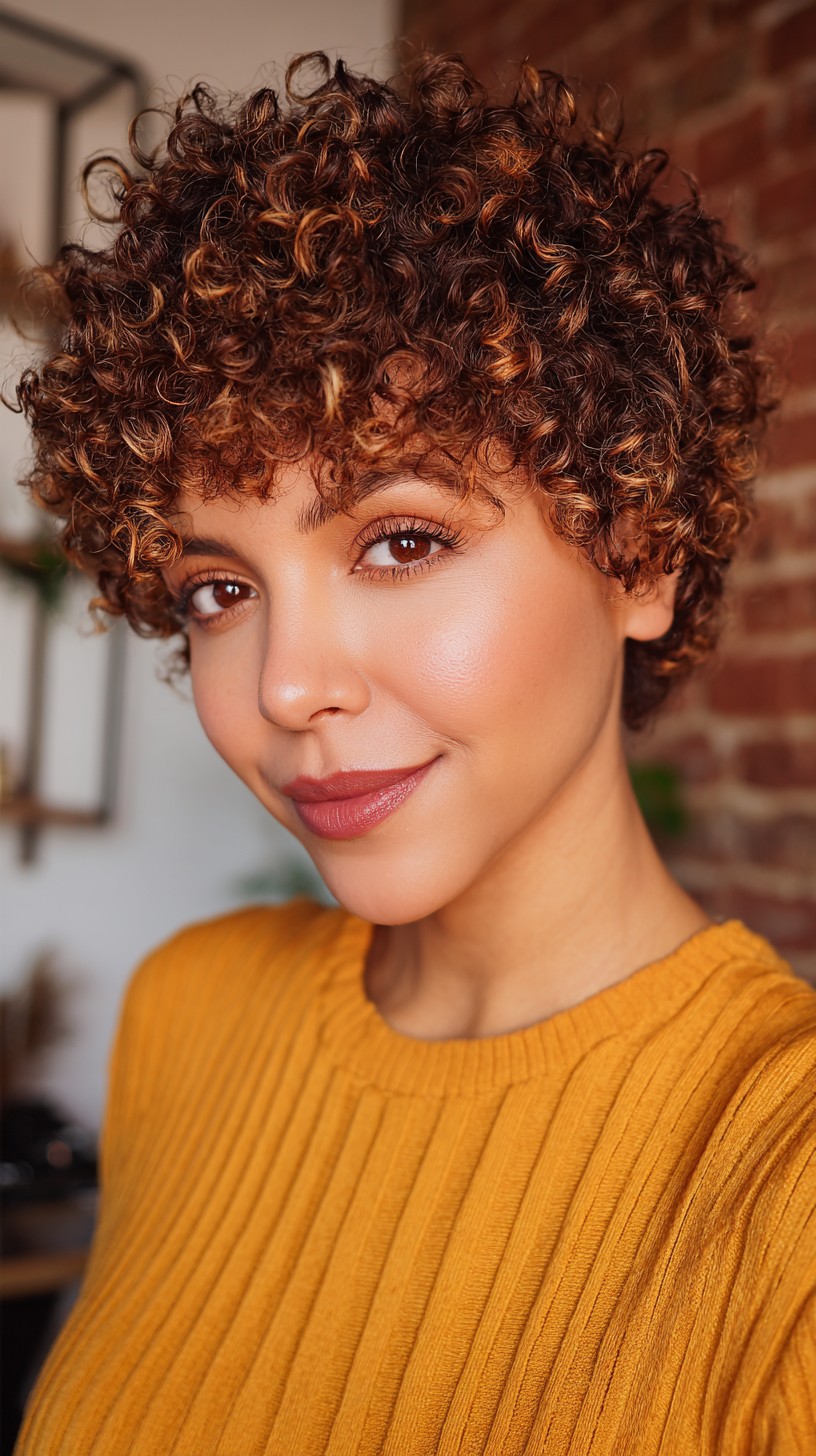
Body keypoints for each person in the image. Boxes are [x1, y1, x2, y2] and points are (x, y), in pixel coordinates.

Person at [11, 49, 815, 1456]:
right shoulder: (186, 1017)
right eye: (220, 589)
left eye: (401, 539)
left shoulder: (777, 1180)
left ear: (644, 557)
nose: (290, 686)